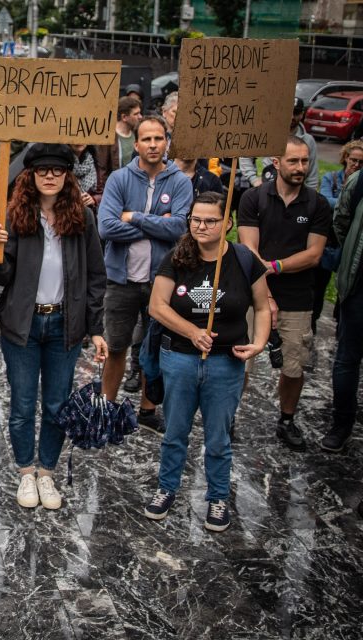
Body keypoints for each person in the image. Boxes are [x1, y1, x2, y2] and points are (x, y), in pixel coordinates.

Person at [0, 144, 107, 510]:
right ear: (31, 175)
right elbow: (3, 277)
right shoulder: (15, 215)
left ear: (68, 175)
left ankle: (47, 472)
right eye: (43, 170)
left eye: (57, 170)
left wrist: (96, 327)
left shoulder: (82, 218)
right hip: (22, 324)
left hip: (64, 325)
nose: (50, 176)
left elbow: (97, 276)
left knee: (57, 404)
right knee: (22, 405)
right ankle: (25, 471)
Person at [143, 192, 271, 532]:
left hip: (226, 363)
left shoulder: (244, 260)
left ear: (227, 223)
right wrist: (192, 330)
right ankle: (166, 488)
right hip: (180, 359)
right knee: (175, 431)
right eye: (196, 219)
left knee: (218, 437)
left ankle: (216, 496)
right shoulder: (177, 257)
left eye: (211, 220)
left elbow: (261, 306)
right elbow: (158, 306)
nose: (201, 226)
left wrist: (258, 343)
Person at [98, 115, 193, 434]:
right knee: (116, 346)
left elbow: (180, 228)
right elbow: (106, 226)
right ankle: (107, 408)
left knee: (154, 348)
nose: (153, 144)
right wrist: (156, 225)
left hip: (161, 281)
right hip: (121, 280)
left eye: (159, 138)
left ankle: (148, 409)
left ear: (167, 142)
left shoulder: (180, 181)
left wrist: (135, 217)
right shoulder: (119, 180)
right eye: (147, 139)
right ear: (136, 144)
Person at [237, 136, 332, 452]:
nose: (301, 167)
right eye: (293, 161)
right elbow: (248, 248)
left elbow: (313, 254)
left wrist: (274, 266)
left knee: (294, 365)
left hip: (297, 296)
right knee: (240, 361)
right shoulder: (252, 198)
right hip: (250, 294)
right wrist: (266, 293)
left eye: (305, 161)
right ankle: (228, 418)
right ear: (275, 163)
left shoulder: (317, 205)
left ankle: (286, 420)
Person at [329, 165, 363, 452]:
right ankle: (341, 423)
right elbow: (341, 221)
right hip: (359, 287)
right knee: (347, 359)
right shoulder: (359, 181)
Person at [240, 97, 319, 191]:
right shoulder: (266, 134)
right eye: (287, 112)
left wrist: (310, 198)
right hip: (268, 191)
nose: (291, 117)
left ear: (302, 114)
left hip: (296, 194)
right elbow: (245, 155)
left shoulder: (308, 140)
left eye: (295, 113)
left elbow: (312, 175)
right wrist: (254, 179)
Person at [94, 96, 142, 175]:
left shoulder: (137, 133)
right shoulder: (108, 137)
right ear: (124, 117)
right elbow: (102, 169)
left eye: (140, 113)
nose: (140, 117)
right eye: (136, 114)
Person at [321, 140, 363, 208]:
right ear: (346, 157)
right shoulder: (330, 177)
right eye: (354, 160)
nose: (357, 165)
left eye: (361, 162)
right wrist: (352, 204)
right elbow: (325, 201)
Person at [70, 143, 106, 209]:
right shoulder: (61, 162)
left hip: (89, 213)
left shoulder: (94, 162)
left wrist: (93, 199)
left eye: (83, 137)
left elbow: (103, 192)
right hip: (67, 211)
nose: (79, 141)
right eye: (75, 137)